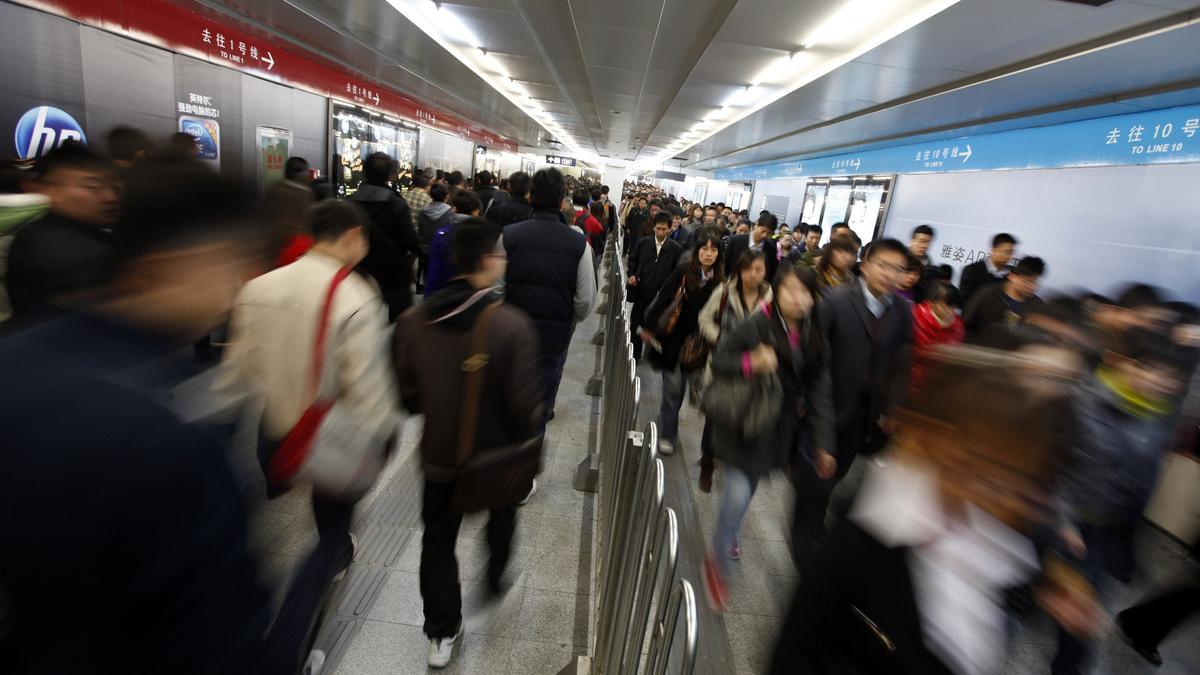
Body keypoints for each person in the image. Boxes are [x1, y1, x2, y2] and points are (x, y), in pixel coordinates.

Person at [0, 157, 281, 674]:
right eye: (227, 264)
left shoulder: (18, 361)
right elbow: (219, 644)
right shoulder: (168, 447)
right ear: (162, 268)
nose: (237, 287)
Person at [771, 342, 1104, 675]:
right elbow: (799, 647)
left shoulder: (1005, 541)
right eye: (989, 470)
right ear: (943, 445)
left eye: (1020, 481)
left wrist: (1045, 585)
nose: (1008, 495)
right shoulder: (866, 537)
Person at [215, 199, 399, 673]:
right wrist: (382, 437)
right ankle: (288, 648)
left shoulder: (258, 285)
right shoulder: (355, 296)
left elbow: (235, 375)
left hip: (273, 432)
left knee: (251, 527)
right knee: (329, 536)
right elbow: (367, 388)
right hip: (326, 438)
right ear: (352, 237)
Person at [394, 218, 543, 669]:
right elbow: (524, 408)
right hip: (497, 458)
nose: (503, 260)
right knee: (503, 512)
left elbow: (409, 398)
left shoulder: (413, 321)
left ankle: (442, 631)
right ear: (485, 261)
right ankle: (495, 577)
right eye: (500, 253)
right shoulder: (512, 325)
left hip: (441, 456)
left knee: (437, 541)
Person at [1051, 328, 1190, 675]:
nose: (1161, 381)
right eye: (1151, 369)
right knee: (1074, 612)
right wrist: (1063, 523)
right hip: (1069, 523)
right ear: (1124, 364)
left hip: (1108, 528)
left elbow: (1144, 474)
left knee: (1082, 614)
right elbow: (1053, 465)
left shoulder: (1160, 415)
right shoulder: (1083, 401)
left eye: (1171, 376)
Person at [702, 263, 835, 612]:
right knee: (736, 498)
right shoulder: (757, 324)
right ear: (777, 290)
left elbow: (821, 391)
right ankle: (718, 562)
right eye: (791, 290)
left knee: (745, 493)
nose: (799, 298)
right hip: (743, 425)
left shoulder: (814, 334)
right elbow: (721, 360)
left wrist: (823, 444)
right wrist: (751, 363)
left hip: (777, 435)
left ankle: (729, 534)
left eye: (806, 292)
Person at [794, 238, 913, 572]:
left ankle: (814, 519)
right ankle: (805, 550)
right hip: (825, 408)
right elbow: (813, 359)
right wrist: (804, 404)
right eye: (883, 265)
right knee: (817, 478)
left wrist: (892, 409)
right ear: (865, 264)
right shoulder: (835, 300)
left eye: (898, 269)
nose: (891, 274)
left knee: (835, 474)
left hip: (863, 416)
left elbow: (902, 364)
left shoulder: (902, 311)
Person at [502, 168, 596, 425]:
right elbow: (586, 300)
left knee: (504, 395)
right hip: (553, 337)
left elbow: (494, 288)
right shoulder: (579, 245)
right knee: (540, 401)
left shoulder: (509, 236)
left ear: (531, 196)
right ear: (561, 200)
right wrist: (568, 316)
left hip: (509, 334)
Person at [6, 142, 118, 329]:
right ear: (44, 190)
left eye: (112, 186)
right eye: (92, 186)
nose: (110, 197)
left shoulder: (33, 233)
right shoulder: (70, 254)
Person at [641, 226, 725, 456]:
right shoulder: (683, 270)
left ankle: (668, 417)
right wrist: (649, 326)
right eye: (705, 249)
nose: (708, 254)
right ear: (697, 250)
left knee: (685, 386)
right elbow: (664, 296)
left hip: (699, 345)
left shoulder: (720, 282)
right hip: (673, 339)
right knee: (672, 389)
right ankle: (668, 433)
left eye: (714, 250)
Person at [697, 249, 772, 492]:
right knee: (715, 417)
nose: (753, 274)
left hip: (752, 373)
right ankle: (707, 462)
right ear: (739, 271)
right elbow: (704, 319)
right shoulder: (724, 292)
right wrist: (719, 338)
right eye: (748, 269)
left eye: (758, 269)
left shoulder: (770, 301)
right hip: (722, 367)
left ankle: (731, 461)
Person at [351, 152, 422, 320]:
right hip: (393, 276)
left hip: (359, 274)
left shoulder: (350, 201)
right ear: (391, 175)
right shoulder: (397, 203)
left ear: (364, 171)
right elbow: (410, 240)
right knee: (399, 322)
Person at [628, 211, 683, 361]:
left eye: (664, 229)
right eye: (658, 228)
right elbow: (632, 260)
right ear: (653, 227)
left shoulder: (675, 249)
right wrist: (631, 274)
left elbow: (677, 273)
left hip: (661, 297)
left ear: (670, 229)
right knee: (635, 325)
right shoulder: (643, 243)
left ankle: (650, 354)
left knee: (653, 327)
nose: (661, 232)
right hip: (641, 292)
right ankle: (635, 355)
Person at [963, 255, 1046, 343]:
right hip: (979, 350)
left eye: (1035, 282)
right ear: (1012, 277)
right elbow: (966, 323)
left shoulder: (1038, 306)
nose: (1032, 287)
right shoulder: (987, 294)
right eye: (1026, 281)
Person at [424, 189, 482, 297]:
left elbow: (434, 273)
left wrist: (428, 300)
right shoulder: (483, 235)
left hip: (445, 296)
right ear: (476, 212)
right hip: (475, 297)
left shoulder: (441, 235)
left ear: (454, 209)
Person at [910, 282, 965, 393]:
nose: (951, 311)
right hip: (909, 384)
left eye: (954, 306)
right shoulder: (913, 319)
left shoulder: (958, 327)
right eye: (946, 305)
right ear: (931, 304)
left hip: (937, 388)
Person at [264, 156, 317, 267]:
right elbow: (308, 223)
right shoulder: (304, 193)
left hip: (272, 247)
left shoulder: (274, 189)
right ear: (300, 173)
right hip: (294, 249)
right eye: (306, 172)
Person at [958, 233, 1017, 305]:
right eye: (1007, 252)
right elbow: (964, 301)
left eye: (1011, 253)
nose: (1010, 256)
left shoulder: (1012, 275)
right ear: (993, 250)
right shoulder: (972, 270)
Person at [724, 212, 779, 282]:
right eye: (763, 231)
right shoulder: (735, 241)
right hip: (733, 283)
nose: (765, 235)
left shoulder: (771, 248)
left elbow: (771, 272)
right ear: (756, 225)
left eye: (769, 233)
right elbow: (726, 264)